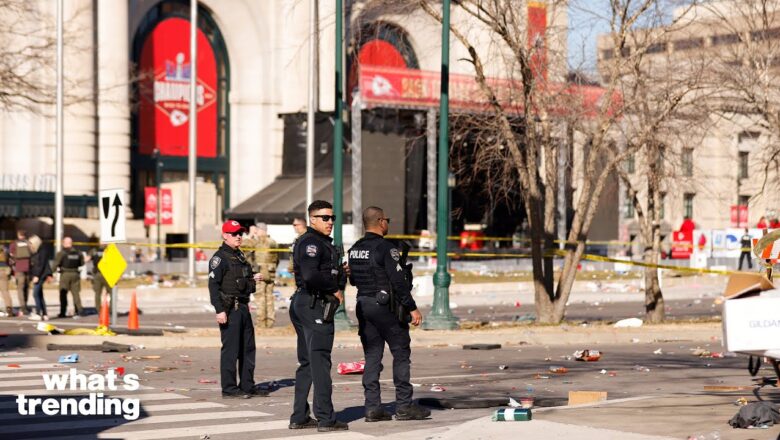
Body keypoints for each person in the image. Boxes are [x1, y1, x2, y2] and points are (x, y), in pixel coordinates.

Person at [347, 206, 430, 422]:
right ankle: (404, 406)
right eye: (387, 220)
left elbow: (354, 280)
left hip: (363, 305)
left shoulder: (355, 249)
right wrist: (412, 308)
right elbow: (398, 282)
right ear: (381, 221)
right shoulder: (385, 248)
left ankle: (372, 408)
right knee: (400, 353)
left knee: (372, 356)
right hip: (386, 307)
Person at [288, 200, 348, 432]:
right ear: (312, 219)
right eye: (325, 218)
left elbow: (324, 272)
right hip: (312, 304)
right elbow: (311, 275)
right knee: (320, 361)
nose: (330, 222)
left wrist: (341, 274)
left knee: (307, 362)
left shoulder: (323, 243)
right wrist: (333, 288)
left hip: (306, 303)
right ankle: (326, 418)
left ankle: (299, 416)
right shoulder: (311, 242)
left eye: (332, 218)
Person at [208, 220, 268, 399]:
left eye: (240, 233)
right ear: (225, 235)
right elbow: (213, 286)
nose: (239, 237)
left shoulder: (240, 256)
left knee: (248, 349)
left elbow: (242, 279)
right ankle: (229, 388)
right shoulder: (219, 259)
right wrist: (219, 310)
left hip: (243, 306)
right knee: (231, 350)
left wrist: (253, 278)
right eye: (234, 234)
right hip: (229, 308)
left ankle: (247, 386)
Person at [252, 223, 279, 328]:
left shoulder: (258, 242)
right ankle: (270, 321)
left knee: (260, 297)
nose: (256, 232)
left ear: (261, 230)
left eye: (257, 230)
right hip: (271, 272)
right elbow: (277, 259)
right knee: (269, 297)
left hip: (260, 273)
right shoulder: (273, 242)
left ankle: (261, 322)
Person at [53, 236, 86, 318]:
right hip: (75, 274)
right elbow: (82, 263)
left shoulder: (61, 253)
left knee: (63, 293)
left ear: (64, 243)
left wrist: (50, 273)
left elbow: (56, 264)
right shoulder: (78, 253)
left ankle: (63, 312)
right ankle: (79, 311)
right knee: (76, 294)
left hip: (65, 274)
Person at [28, 235, 52, 321]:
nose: (30, 245)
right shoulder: (36, 251)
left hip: (41, 275)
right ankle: (45, 314)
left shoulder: (43, 251)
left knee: (35, 294)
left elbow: (41, 264)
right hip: (38, 274)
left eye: (31, 243)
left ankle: (39, 313)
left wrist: (37, 276)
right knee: (40, 295)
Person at [9, 230, 32, 315]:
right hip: (28, 268)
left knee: (20, 288)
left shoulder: (14, 244)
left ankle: (23, 307)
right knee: (26, 288)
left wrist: (11, 268)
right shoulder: (28, 243)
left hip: (19, 268)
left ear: (18, 235)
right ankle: (25, 304)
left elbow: (11, 256)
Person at [87, 243, 111, 316]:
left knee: (97, 293)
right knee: (111, 293)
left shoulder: (94, 251)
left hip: (98, 274)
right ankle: (110, 310)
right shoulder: (110, 250)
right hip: (108, 274)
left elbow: (86, 259)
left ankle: (99, 310)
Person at [0, 243, 14, 317]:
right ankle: (9, 309)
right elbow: (11, 261)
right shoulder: (6, 250)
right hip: (5, 271)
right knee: (5, 291)